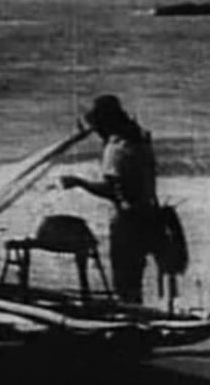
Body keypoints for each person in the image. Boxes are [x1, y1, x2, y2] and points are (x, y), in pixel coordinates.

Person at [60, 94, 159, 303]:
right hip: (149, 217)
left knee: (124, 282)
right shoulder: (140, 141)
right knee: (134, 279)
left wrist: (79, 182)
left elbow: (112, 190)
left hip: (128, 221)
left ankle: (132, 328)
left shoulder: (116, 149)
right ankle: (138, 321)